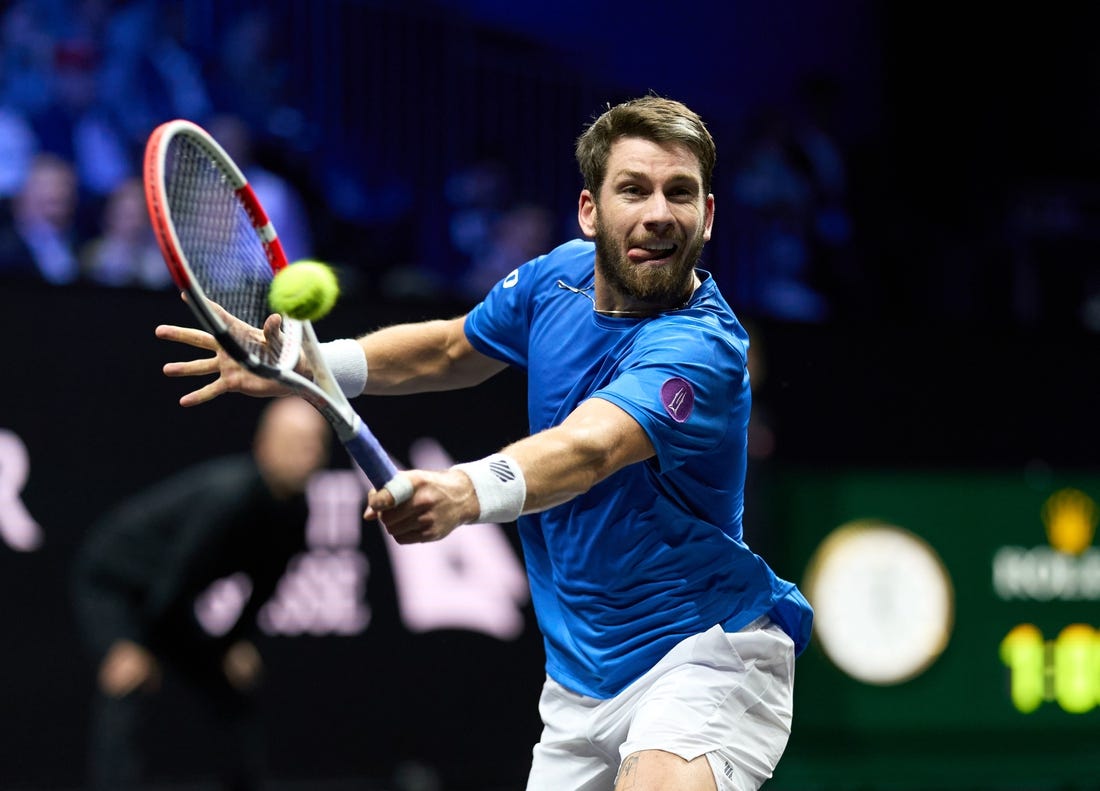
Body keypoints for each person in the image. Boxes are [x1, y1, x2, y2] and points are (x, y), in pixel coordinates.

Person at [156, 96, 813, 791]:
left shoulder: (703, 347)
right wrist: (315, 366)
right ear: (591, 212)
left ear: (707, 216)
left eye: (680, 193)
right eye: (634, 189)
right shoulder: (554, 277)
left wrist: (467, 491)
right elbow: (447, 349)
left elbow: (588, 449)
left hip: (703, 653)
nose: (658, 212)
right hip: (580, 682)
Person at [71, 397, 331, 791]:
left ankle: (246, 784)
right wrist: (134, 645)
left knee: (232, 687)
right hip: (114, 582)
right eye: (295, 442)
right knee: (128, 678)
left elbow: (264, 587)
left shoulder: (297, 514)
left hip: (169, 597)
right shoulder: (227, 499)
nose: (307, 453)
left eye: (315, 444)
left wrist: (235, 642)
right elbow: (178, 577)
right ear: (263, 446)